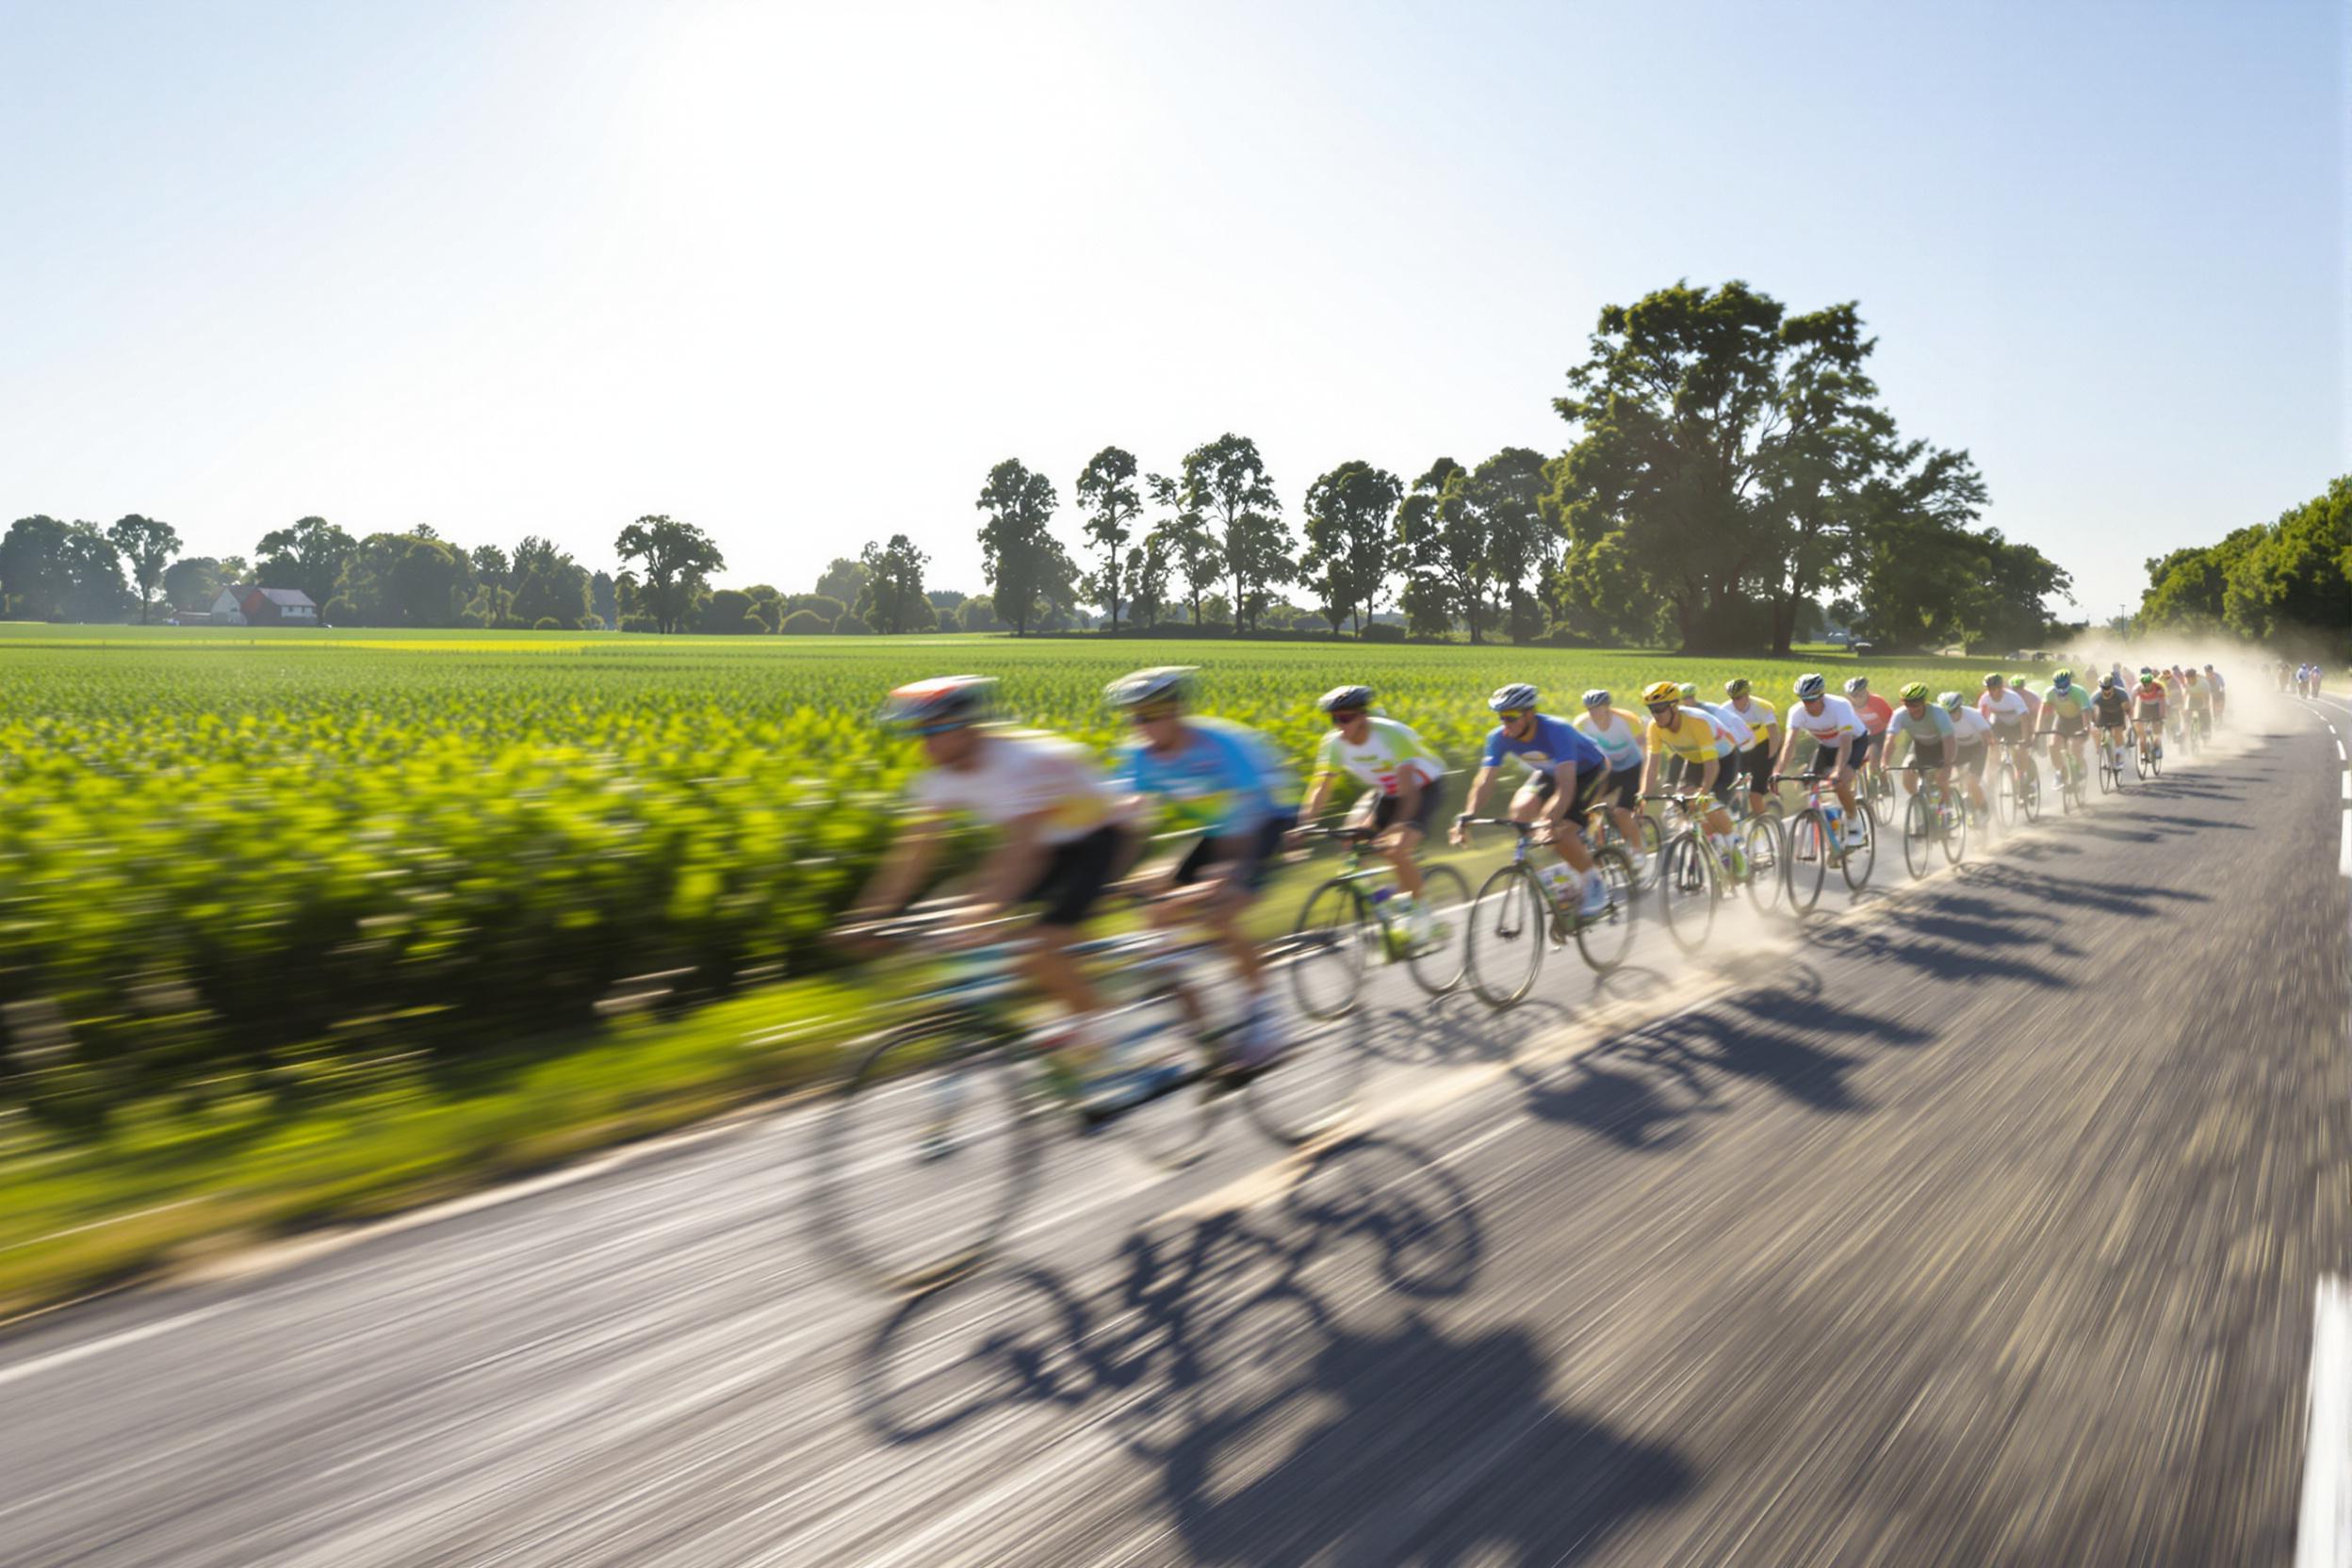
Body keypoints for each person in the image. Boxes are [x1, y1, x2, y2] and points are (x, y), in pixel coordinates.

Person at [849, 676, 1146, 1110]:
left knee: (1041, 946)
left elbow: (1022, 854)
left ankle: (1108, 1047)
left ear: (966, 726)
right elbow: (915, 852)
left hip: (1099, 838)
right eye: (916, 732)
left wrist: (983, 913)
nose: (923, 743)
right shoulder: (941, 775)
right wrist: (869, 915)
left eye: (932, 730)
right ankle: (1027, 1014)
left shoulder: (1016, 763)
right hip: (1048, 844)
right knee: (956, 914)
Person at [1103, 666, 1295, 1068]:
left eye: (1152, 714)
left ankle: (1268, 1019)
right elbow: (1130, 823)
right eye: (1136, 717)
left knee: (1220, 914)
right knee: (1157, 918)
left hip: (1264, 822)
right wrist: (1111, 879)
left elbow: (1244, 820)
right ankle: (1202, 1032)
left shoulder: (1223, 746)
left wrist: (1223, 877)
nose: (1143, 726)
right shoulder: (1138, 756)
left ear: (1177, 710)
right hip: (1219, 828)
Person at [1293, 685, 1448, 943]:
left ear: (1362, 715)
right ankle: (1383, 901)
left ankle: (1422, 915)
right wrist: (1304, 824)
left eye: (1345, 718)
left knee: (1395, 848)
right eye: (1334, 719)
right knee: (1352, 842)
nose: (1339, 725)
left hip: (1423, 787)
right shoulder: (1333, 744)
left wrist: (1399, 825)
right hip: (1387, 792)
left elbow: (1408, 790)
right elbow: (1322, 785)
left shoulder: (1391, 735)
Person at [1451, 683, 1614, 918]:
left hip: (1588, 772)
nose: (1504, 724)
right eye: (1501, 717)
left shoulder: (1558, 731)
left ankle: (1593, 882)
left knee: (1559, 830)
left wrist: (1551, 822)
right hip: (1549, 772)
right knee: (1520, 811)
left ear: (1529, 713)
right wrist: (1468, 814)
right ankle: (1560, 873)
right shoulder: (1499, 737)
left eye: (1510, 716)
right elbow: (1485, 781)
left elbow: (1567, 787)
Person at [1636, 678, 1746, 873]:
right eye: (1652, 709)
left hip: (1724, 759)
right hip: (1695, 760)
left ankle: (1735, 848)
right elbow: (1652, 764)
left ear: (1674, 706)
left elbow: (1712, 765)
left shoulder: (1697, 722)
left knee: (1710, 803)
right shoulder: (1654, 727)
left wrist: (1704, 792)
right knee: (1686, 802)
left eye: (1660, 708)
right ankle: (1715, 841)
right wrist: (1643, 794)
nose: (1656, 714)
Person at [1775, 673, 1869, 844]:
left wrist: (1838, 770)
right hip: (1826, 746)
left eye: (1811, 699)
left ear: (1821, 696)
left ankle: (1855, 823)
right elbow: (1789, 744)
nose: (1808, 704)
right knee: (1809, 782)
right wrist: (1777, 772)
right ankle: (1830, 822)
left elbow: (1846, 743)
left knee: (1840, 781)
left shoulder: (1840, 706)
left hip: (1855, 743)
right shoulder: (1796, 712)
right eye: (1804, 700)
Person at [1572, 688, 1655, 878]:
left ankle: (1637, 847)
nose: (1593, 713)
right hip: (1607, 769)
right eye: (1590, 709)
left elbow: (1645, 750)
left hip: (1633, 768)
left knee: (1621, 812)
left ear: (1607, 707)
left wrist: (1645, 778)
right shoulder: (1581, 724)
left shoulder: (1627, 720)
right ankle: (1599, 849)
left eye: (1598, 708)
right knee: (1590, 809)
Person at [1885, 682, 1957, 815]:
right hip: (1919, 746)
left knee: (1941, 779)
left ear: (1924, 701)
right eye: (1908, 705)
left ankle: (1948, 807)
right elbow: (1890, 740)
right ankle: (1923, 803)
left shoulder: (1938, 712)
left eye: (1916, 704)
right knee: (1907, 773)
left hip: (1940, 746)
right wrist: (1884, 763)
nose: (1912, 709)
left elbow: (1949, 740)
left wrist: (1947, 765)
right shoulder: (1899, 715)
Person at [1721, 677, 1781, 818]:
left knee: (1755, 795)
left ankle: (1764, 823)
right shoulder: (1724, 710)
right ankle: (1736, 813)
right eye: (1733, 698)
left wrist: (1771, 760)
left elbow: (1773, 734)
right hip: (1741, 748)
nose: (1736, 701)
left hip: (1763, 747)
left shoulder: (1761, 707)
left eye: (1739, 697)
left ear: (1747, 695)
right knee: (1730, 785)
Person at [1977, 673, 2034, 796]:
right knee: (1993, 752)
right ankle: (1991, 787)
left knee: (2020, 751)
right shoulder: (1985, 699)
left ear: (2001, 688)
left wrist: (2025, 739)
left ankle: (2026, 779)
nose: (1992, 691)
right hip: (2000, 724)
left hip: (2017, 725)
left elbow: (2024, 718)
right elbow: (1982, 720)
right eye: (1989, 688)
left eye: (1995, 688)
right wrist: (1986, 739)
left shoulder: (2013, 697)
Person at [2038, 668, 2095, 788]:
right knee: (2052, 745)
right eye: (2059, 685)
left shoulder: (2079, 691)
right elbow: (2041, 712)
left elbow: (2085, 712)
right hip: (2062, 719)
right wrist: (2038, 729)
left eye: (2064, 684)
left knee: (2075, 746)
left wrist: (2086, 729)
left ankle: (2080, 766)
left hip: (2079, 719)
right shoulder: (2050, 692)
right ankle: (2060, 772)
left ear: (2070, 682)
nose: (2062, 687)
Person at [1942, 691, 1994, 817]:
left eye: (1953, 711)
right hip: (1959, 747)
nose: (1951, 715)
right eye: (1947, 712)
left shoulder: (1973, 715)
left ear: (1959, 708)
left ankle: (1983, 806)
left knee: (1971, 782)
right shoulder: (1942, 718)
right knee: (1949, 776)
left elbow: (1988, 736)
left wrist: (1992, 753)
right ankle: (1960, 801)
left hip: (1978, 747)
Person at [1845, 676, 1894, 794]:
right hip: (1861, 735)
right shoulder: (1847, 706)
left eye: (1860, 694)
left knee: (1874, 759)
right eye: (1853, 695)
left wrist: (1890, 740)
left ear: (1866, 691)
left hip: (1879, 733)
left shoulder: (1877, 702)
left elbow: (1891, 722)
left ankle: (1883, 783)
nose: (1857, 698)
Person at [2090, 674, 2132, 775]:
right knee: (2096, 732)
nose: (2107, 690)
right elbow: (2090, 712)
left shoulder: (2121, 693)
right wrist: (2093, 724)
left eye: (2109, 687)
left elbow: (2128, 709)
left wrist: (2130, 721)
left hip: (2117, 713)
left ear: (2113, 685)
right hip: (2103, 714)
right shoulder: (2095, 696)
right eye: (2104, 688)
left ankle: (2119, 758)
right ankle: (2100, 753)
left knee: (2117, 733)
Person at [2132, 666, 2167, 761]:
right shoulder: (2137, 689)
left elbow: (2162, 704)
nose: (2146, 686)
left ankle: (2157, 745)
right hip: (2144, 706)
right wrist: (2135, 718)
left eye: (2148, 684)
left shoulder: (2159, 688)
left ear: (2152, 682)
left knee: (2156, 727)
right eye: (2144, 684)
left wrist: (2161, 716)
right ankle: (2143, 753)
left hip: (2156, 706)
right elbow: (2133, 704)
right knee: (2141, 733)